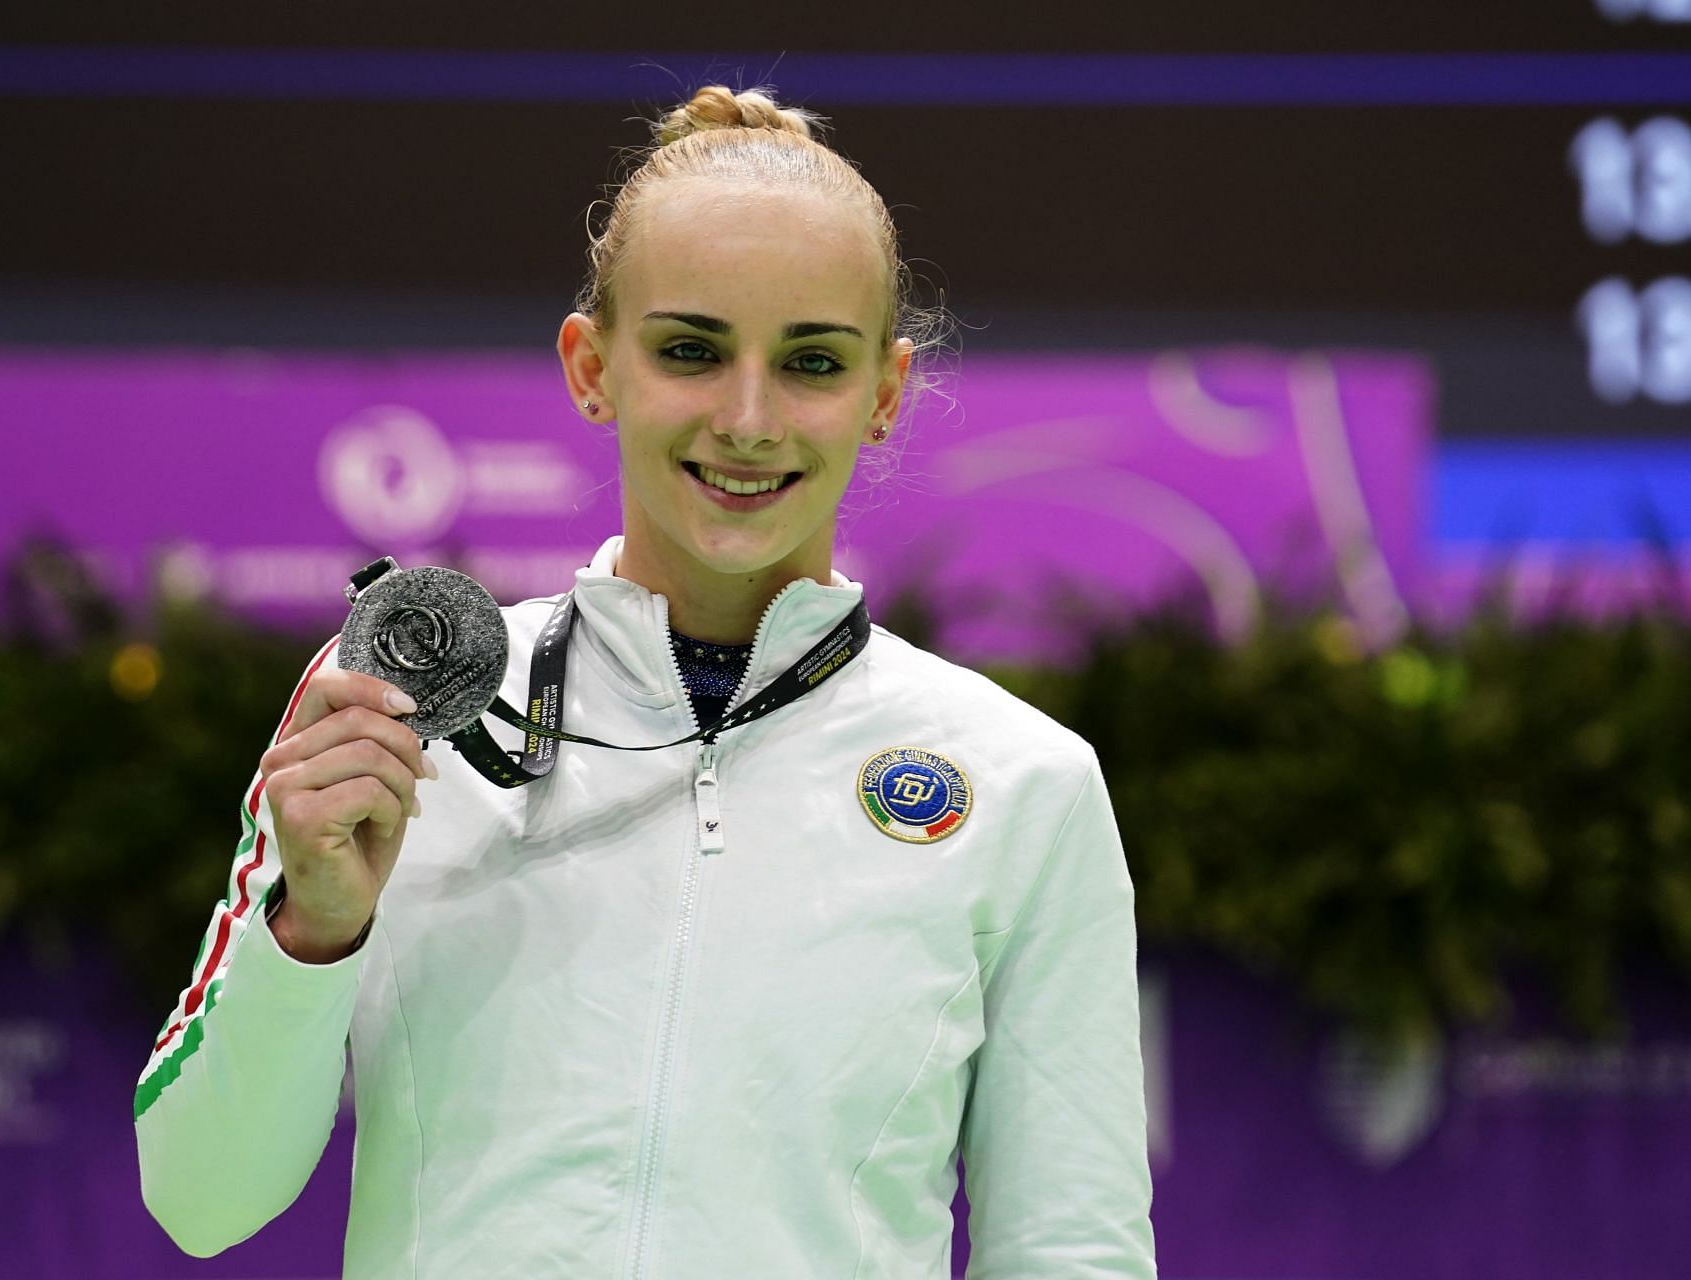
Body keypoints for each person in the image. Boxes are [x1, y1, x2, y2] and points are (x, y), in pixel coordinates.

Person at [135, 85, 1156, 1279]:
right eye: (690, 350)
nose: (748, 417)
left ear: (884, 393)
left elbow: (1071, 1250)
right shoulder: (398, 705)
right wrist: (312, 929)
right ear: (591, 367)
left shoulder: (1021, 783)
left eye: (812, 362)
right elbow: (199, 1199)